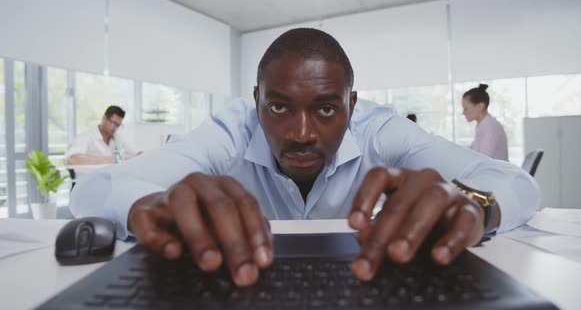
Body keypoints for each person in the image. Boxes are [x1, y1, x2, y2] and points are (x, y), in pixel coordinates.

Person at [70, 28, 538, 287]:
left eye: (326, 109)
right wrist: (147, 204)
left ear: (352, 106)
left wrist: (477, 206)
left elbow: (515, 183)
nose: (301, 133)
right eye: (278, 107)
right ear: (256, 100)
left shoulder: (380, 129)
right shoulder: (229, 131)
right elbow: (94, 188)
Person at [66, 105, 141, 165]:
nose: (114, 128)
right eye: (113, 123)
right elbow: (72, 159)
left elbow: (136, 154)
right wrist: (112, 159)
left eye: (118, 125)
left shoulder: (117, 138)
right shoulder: (86, 136)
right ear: (104, 118)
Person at [461, 84, 509, 161]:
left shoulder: (490, 127)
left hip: (494, 172)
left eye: (466, 108)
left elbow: (483, 159)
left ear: (480, 106)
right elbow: (473, 151)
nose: (463, 112)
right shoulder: (483, 125)